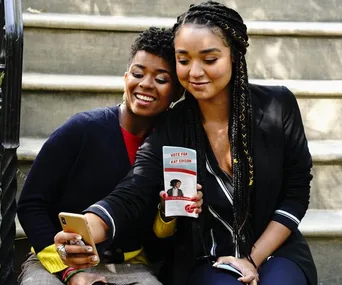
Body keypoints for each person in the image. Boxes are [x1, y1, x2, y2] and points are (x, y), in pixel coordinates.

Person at [54, 1, 317, 285]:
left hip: (276, 250)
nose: (194, 72)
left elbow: (297, 191)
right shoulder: (172, 126)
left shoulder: (278, 106)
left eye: (209, 59)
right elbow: (133, 191)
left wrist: (251, 259)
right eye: (183, 60)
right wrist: (87, 231)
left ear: (234, 56)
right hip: (207, 258)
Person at [17, 27, 202, 285]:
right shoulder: (82, 129)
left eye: (161, 79)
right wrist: (68, 271)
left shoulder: (172, 150)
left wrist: (168, 212)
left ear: (177, 93)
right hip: (58, 260)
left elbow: (159, 242)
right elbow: (30, 204)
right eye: (138, 74)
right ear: (126, 77)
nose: (146, 84)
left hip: (129, 266)